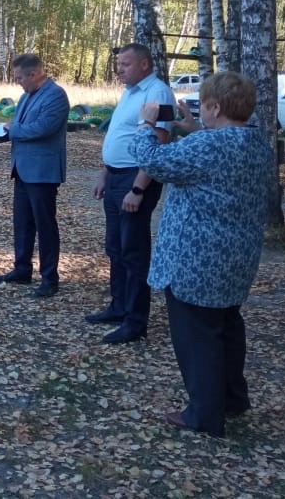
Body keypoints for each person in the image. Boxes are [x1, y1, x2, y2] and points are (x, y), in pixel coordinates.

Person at [132, 72, 274, 437]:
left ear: (214, 106)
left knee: (198, 336)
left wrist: (147, 122)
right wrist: (196, 130)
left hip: (196, 259)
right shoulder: (256, 142)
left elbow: (150, 159)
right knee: (226, 326)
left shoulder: (208, 147)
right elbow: (216, 162)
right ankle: (232, 398)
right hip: (235, 257)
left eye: (203, 104)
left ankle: (204, 414)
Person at [88, 43, 176, 344]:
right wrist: (104, 172)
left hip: (134, 179)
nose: (119, 69)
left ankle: (136, 322)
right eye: (119, 64)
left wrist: (139, 188)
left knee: (134, 251)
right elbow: (119, 135)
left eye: (125, 64)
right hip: (115, 177)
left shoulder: (157, 93)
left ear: (144, 64)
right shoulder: (130, 91)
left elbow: (158, 142)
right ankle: (119, 306)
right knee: (114, 247)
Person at [0, 54, 70, 298]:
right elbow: (16, 128)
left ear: (34, 74)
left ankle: (49, 278)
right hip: (22, 168)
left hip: (43, 172)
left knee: (44, 225)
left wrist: (12, 130)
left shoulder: (55, 95)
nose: (18, 82)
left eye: (20, 78)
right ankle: (22, 269)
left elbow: (43, 128)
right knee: (22, 222)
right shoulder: (26, 96)